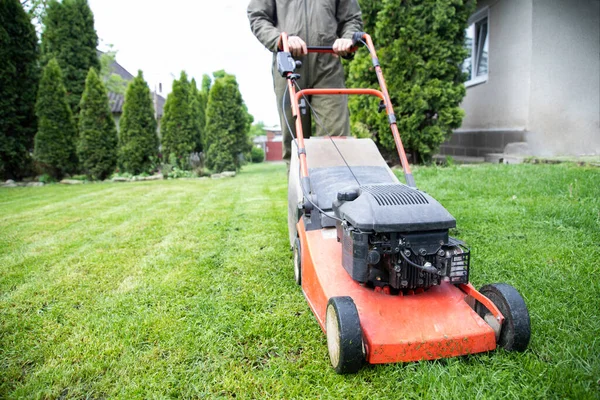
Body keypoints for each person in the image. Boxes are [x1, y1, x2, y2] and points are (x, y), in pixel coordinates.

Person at [247, 0, 363, 160]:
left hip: (327, 67)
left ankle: (336, 183)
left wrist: (348, 38)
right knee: (296, 146)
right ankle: (299, 184)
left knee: (337, 144)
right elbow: (258, 16)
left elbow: (351, 18)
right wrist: (279, 39)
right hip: (289, 66)